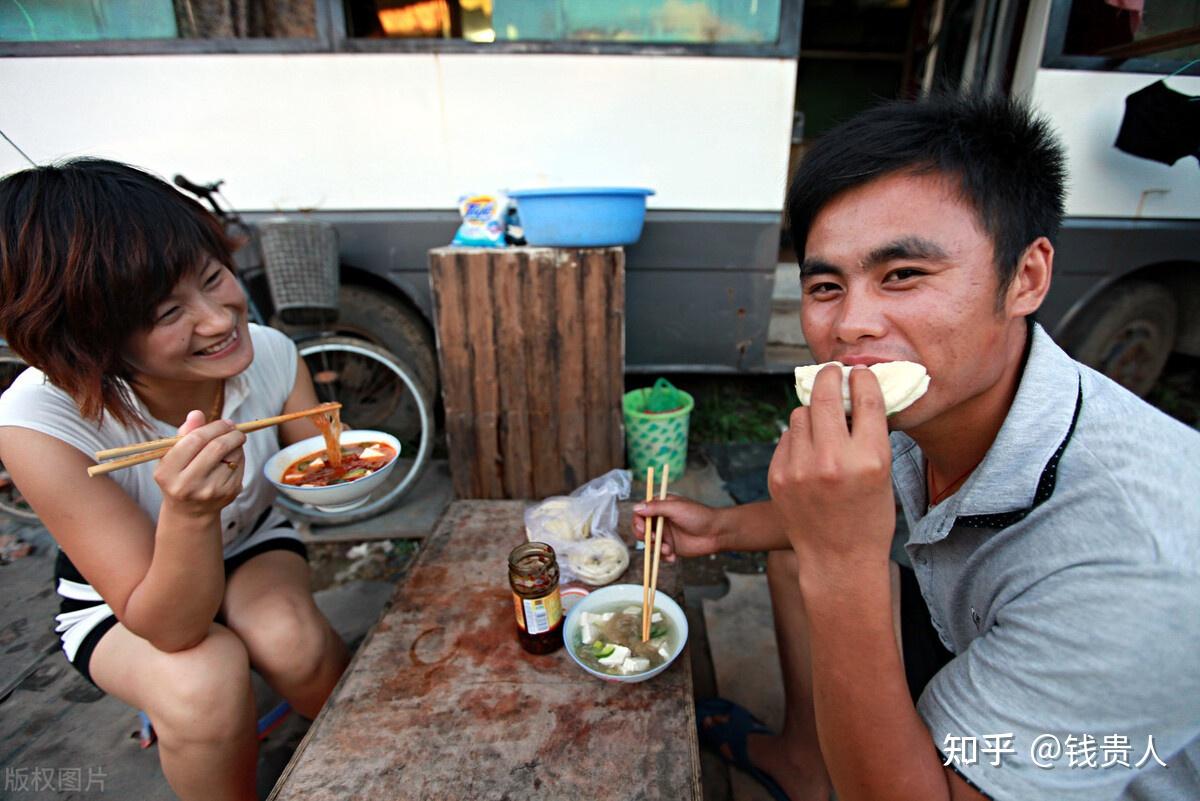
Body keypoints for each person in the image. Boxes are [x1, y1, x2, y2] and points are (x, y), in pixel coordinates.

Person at [635, 94, 1200, 801]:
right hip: (967, 628)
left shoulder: (1135, 564)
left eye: (902, 275)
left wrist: (844, 564)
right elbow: (820, 519)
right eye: (825, 285)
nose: (851, 325)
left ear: (1026, 277)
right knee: (794, 553)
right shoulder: (942, 400)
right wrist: (719, 527)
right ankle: (807, 765)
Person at [0, 159, 349, 801]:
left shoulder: (269, 351)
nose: (219, 320)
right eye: (168, 312)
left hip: (248, 543)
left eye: (214, 278)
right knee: (204, 681)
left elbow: (321, 468)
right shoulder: (36, 422)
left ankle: (370, 763)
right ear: (88, 342)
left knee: (295, 644)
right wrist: (188, 515)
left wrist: (347, 469)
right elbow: (172, 630)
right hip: (123, 602)